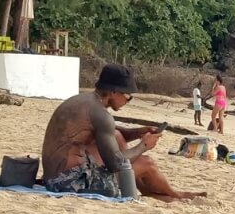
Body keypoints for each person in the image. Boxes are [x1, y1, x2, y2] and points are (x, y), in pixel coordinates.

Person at [41, 64, 205, 202]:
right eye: (127, 96)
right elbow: (116, 164)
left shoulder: (84, 101)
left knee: (117, 137)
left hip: (54, 177)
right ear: (113, 91)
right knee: (147, 163)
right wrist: (143, 146)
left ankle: (155, 193)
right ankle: (175, 194)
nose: (127, 101)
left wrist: (137, 132)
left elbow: (109, 131)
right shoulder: (100, 114)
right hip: (69, 183)